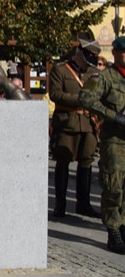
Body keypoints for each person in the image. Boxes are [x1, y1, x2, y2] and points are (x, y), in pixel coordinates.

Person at [79, 35, 125, 254]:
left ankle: (122, 224)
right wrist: (113, 116)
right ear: (115, 53)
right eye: (123, 52)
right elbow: (86, 98)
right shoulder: (105, 77)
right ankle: (113, 229)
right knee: (113, 185)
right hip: (114, 140)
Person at [49, 36, 101, 218]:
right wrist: (80, 100)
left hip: (88, 123)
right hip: (67, 122)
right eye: (88, 57)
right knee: (63, 161)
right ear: (79, 53)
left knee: (86, 162)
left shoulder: (94, 72)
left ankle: (83, 203)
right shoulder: (60, 69)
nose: (90, 62)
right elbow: (55, 94)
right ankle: (60, 204)